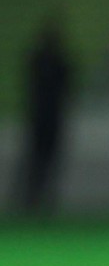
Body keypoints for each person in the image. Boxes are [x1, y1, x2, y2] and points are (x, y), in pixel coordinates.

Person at [13, 15, 73, 217]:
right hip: (47, 116)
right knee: (40, 161)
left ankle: (34, 199)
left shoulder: (39, 60)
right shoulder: (56, 61)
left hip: (43, 116)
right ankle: (33, 199)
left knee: (39, 161)